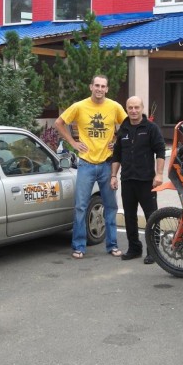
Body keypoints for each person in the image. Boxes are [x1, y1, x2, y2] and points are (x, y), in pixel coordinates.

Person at [54, 74, 128, 259]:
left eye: (103, 86)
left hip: (107, 165)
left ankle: (112, 245)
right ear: (91, 87)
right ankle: (79, 246)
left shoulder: (114, 107)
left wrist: (117, 142)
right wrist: (73, 142)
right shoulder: (79, 106)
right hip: (86, 164)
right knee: (80, 206)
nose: (100, 89)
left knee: (110, 207)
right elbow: (59, 123)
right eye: (97, 85)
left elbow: (127, 125)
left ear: (107, 89)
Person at [111, 96, 166, 264]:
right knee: (129, 216)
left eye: (136, 107)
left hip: (147, 181)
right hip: (128, 179)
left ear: (142, 108)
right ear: (126, 109)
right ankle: (134, 248)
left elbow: (161, 151)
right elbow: (117, 155)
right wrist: (113, 175)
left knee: (151, 216)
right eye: (130, 108)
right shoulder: (123, 128)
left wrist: (159, 174)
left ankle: (153, 251)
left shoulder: (151, 128)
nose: (133, 111)